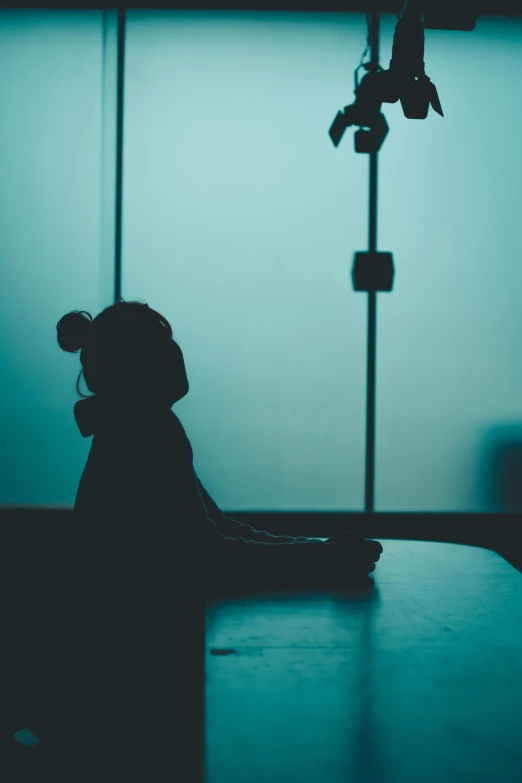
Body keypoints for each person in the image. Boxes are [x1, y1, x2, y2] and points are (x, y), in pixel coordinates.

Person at [56, 300, 382, 586]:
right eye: (163, 345)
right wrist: (324, 556)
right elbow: (205, 553)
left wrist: (322, 549)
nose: (176, 353)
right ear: (138, 364)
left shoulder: (133, 422)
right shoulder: (146, 428)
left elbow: (214, 529)